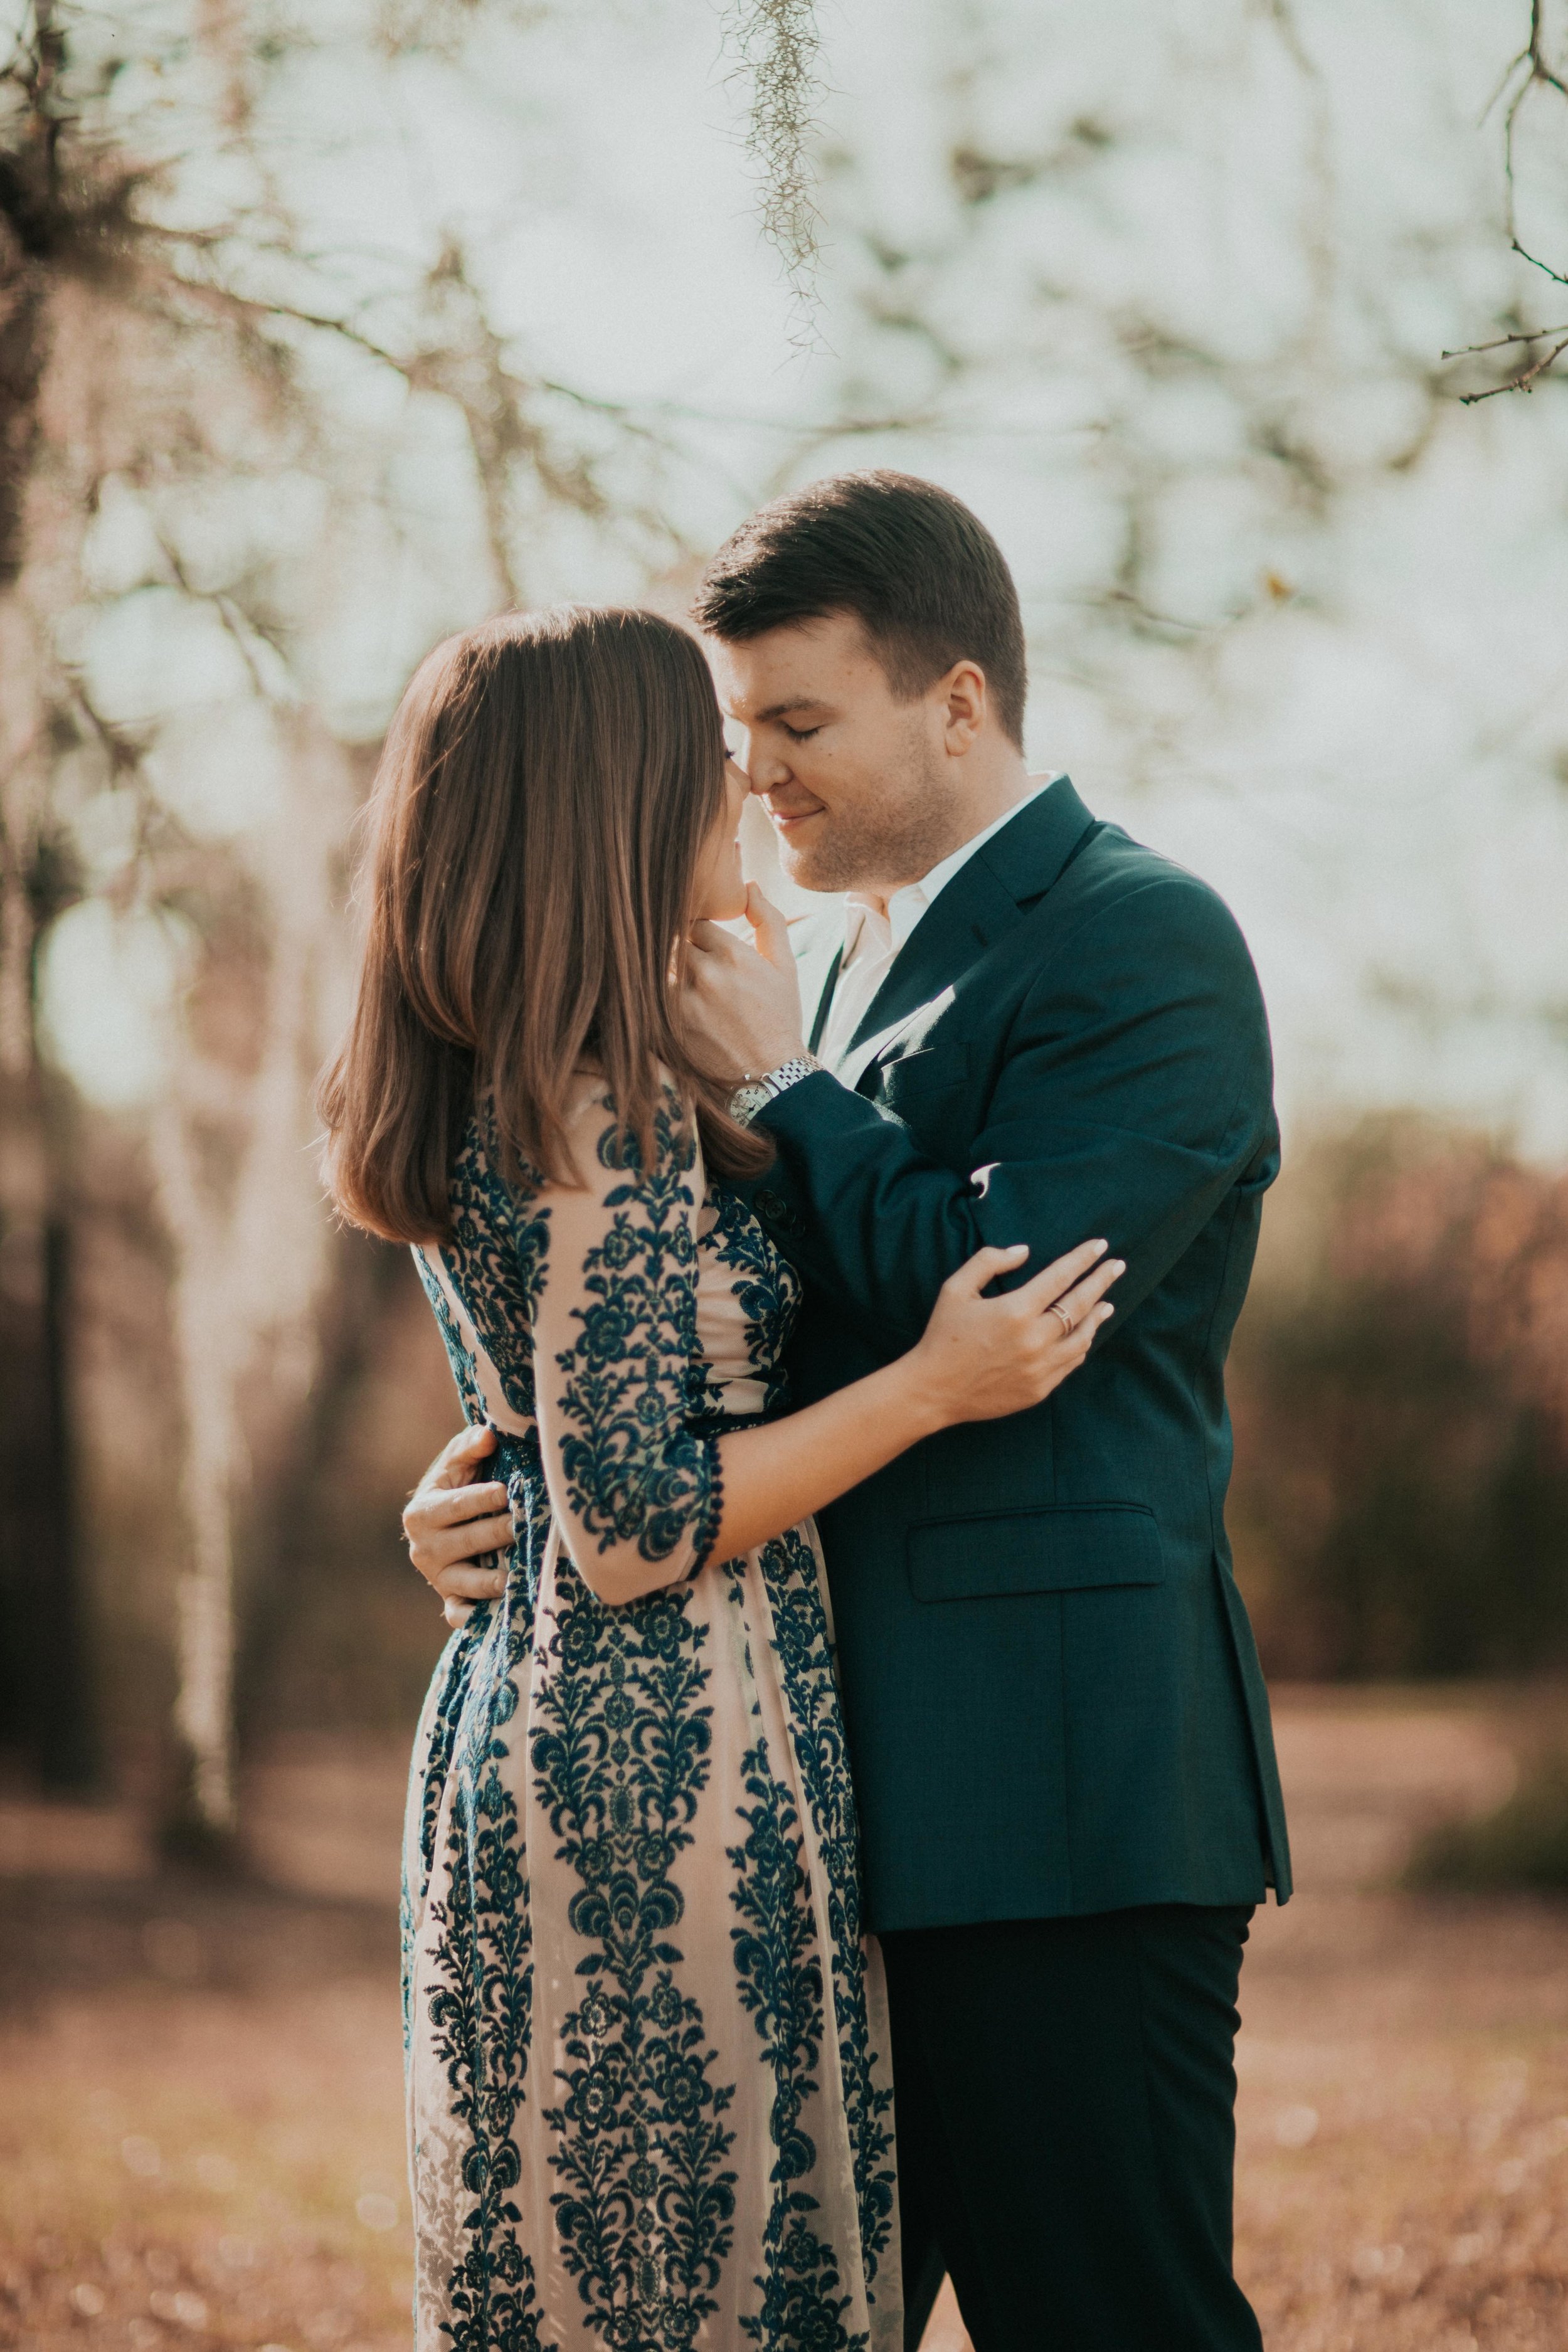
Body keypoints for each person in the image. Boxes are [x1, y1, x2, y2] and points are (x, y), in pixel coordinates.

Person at [408, 475, 1293, 2352]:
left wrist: (794, 1088)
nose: (760, 779)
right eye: (741, 737)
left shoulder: (1142, 939)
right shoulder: (830, 963)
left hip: (1054, 1798)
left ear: (956, 702)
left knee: (1106, 2315)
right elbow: (702, 1328)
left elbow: (998, 1303)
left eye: (798, 726)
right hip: (799, 1800)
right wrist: (513, 1471)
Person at [318, 601, 1119, 2352]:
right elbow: (630, 1528)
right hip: (656, 1759)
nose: (745, 788)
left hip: (564, 1721)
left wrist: (488, 1496)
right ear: (617, 797)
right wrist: (929, 1384)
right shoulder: (596, 1100)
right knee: (702, 2293)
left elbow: (560, 1440)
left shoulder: (516, 1072)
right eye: (708, 757)